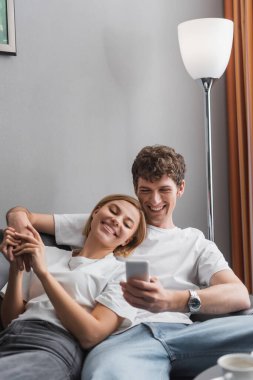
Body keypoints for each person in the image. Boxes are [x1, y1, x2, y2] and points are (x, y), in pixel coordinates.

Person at [3, 145, 253, 380]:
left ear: (180, 188)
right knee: (107, 372)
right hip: (125, 338)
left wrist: (171, 300)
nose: (154, 201)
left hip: (186, 333)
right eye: (146, 190)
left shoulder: (196, 243)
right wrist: (18, 233)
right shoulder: (107, 223)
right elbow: (23, 215)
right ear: (136, 189)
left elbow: (238, 294)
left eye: (164, 189)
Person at [0, 194, 146, 380]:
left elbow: (91, 335)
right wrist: (16, 268)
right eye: (113, 211)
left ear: (127, 241)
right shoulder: (44, 252)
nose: (116, 220)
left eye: (127, 224)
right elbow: (10, 319)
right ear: (95, 213)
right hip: (10, 336)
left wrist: (44, 274)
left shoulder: (128, 273)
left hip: (54, 346)